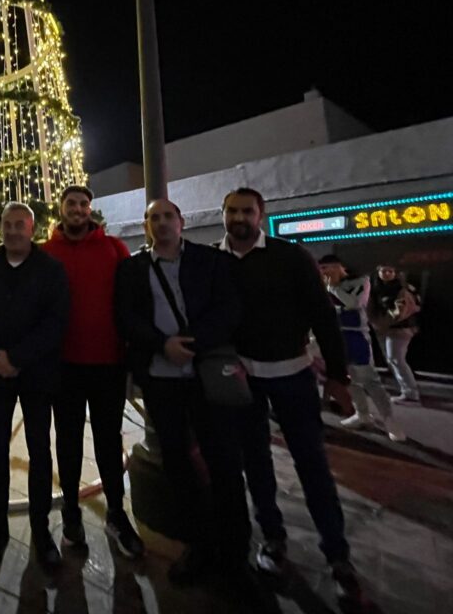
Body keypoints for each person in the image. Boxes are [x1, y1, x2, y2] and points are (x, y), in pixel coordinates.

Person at [220, 188, 373, 612]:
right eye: (232, 211)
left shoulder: (291, 257)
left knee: (313, 466)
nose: (239, 218)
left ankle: (338, 557)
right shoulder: (214, 261)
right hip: (243, 382)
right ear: (223, 214)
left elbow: (323, 316)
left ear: (261, 215)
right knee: (256, 465)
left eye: (247, 211)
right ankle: (272, 539)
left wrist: (338, 377)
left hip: (293, 376)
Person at [115, 199, 251, 586]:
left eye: (167, 216)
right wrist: (163, 346)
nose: (161, 223)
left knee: (224, 462)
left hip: (207, 376)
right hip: (162, 382)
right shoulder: (132, 269)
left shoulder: (211, 261)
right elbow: (126, 317)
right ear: (146, 225)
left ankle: (236, 551)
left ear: (181, 221)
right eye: (153, 218)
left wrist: (190, 343)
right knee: (177, 464)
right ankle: (199, 544)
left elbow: (229, 308)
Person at [0, 202, 70, 574]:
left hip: (37, 374)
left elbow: (56, 321)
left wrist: (18, 357)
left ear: (31, 228)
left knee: (40, 451)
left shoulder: (51, 270)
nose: (12, 231)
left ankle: (41, 531)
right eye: (7, 225)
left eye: (19, 225)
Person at [41, 185, 144, 558]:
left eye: (84, 204)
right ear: (61, 208)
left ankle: (116, 513)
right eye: (72, 203)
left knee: (108, 441)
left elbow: (131, 301)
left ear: (90, 209)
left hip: (108, 365)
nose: (78, 209)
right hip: (64, 366)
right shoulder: (45, 253)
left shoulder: (114, 248)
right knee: (67, 442)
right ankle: (71, 513)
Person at [319, 255, 406, 442]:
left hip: (355, 336)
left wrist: (332, 288)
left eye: (326, 267)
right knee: (348, 379)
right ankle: (362, 414)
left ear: (338, 266)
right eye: (321, 269)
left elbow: (354, 303)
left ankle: (390, 421)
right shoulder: (321, 284)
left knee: (370, 380)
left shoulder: (360, 281)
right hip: (335, 337)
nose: (323, 272)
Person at [370, 264, 422, 404]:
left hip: (400, 328)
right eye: (383, 271)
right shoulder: (376, 288)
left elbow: (401, 312)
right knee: (392, 359)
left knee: (396, 359)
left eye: (390, 271)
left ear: (395, 273)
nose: (387, 273)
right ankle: (406, 389)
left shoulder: (402, 289)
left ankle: (411, 393)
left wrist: (381, 323)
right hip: (384, 328)